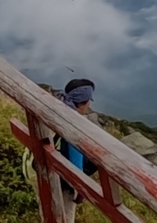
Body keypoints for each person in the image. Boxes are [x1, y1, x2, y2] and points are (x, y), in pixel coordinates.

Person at [52, 78, 98, 221]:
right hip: (61, 182)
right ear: (81, 102)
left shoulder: (57, 108)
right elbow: (76, 166)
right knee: (64, 218)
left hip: (38, 167)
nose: (90, 103)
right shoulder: (74, 127)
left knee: (48, 211)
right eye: (88, 100)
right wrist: (80, 190)